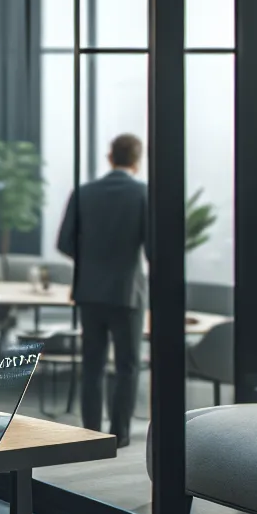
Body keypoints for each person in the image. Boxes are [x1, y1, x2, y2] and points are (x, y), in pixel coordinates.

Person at [57, 133, 152, 448]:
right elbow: (153, 249)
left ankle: (91, 433)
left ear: (110, 157)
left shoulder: (83, 193)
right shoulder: (143, 194)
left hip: (90, 292)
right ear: (137, 161)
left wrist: (92, 261)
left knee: (92, 366)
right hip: (127, 293)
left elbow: (64, 242)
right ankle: (120, 434)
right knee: (127, 366)